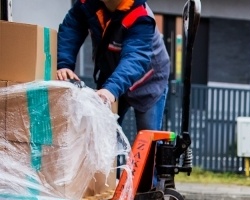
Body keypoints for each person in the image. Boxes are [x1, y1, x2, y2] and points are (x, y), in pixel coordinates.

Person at [55, 0, 170, 132]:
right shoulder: (87, 3)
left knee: (148, 141)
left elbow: (135, 57)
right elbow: (72, 28)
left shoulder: (141, 16)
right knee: (102, 133)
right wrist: (64, 64)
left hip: (147, 82)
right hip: (111, 74)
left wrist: (111, 89)